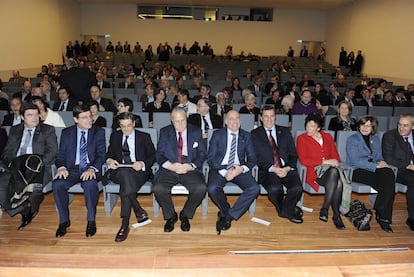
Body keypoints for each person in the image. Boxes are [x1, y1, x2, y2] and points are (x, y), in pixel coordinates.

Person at [0, 103, 57, 230]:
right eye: (30, 115)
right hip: (17, 166)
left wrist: (36, 164)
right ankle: (23, 210)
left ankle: (32, 209)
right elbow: (7, 152)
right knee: (2, 185)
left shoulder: (48, 129)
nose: (35, 118)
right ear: (22, 117)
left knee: (33, 188)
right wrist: (12, 164)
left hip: (39, 167)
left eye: (37, 114)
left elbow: (52, 152)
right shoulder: (15, 130)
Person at [52, 104, 106, 238]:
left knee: (89, 184)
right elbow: (60, 156)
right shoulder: (67, 133)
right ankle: (64, 221)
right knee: (57, 184)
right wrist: (62, 168)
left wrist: (92, 169)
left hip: (90, 167)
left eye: (90, 116)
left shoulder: (98, 131)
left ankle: (91, 221)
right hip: (72, 169)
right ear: (76, 119)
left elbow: (101, 155)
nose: (89, 120)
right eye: (84, 118)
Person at [152, 107, 207, 232]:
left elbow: (203, 154)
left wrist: (190, 165)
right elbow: (159, 154)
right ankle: (171, 216)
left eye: (183, 120)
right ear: (172, 121)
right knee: (158, 188)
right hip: (170, 167)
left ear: (186, 119)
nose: (181, 124)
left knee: (201, 188)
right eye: (177, 121)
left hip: (189, 167)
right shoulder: (165, 132)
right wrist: (171, 166)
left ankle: (185, 214)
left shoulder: (196, 131)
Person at [207, 110, 260, 235]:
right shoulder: (217, 135)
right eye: (231, 119)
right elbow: (211, 158)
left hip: (238, 168)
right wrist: (225, 172)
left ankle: (228, 216)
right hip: (221, 168)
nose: (234, 122)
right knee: (213, 188)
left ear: (240, 121)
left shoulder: (246, 136)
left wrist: (241, 169)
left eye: (237, 119)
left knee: (254, 188)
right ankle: (225, 209)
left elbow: (252, 159)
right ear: (226, 121)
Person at [106, 112, 156, 242]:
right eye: (122, 126)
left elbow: (153, 156)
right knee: (124, 175)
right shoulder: (115, 136)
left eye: (129, 125)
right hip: (119, 171)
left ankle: (128, 221)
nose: (126, 129)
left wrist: (142, 163)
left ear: (134, 123)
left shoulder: (144, 137)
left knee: (126, 185)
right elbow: (109, 153)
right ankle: (130, 217)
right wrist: (110, 160)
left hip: (138, 172)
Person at [251, 106, 303, 224]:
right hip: (268, 170)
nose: (269, 119)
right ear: (261, 118)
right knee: (275, 189)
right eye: (266, 116)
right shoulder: (254, 134)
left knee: (297, 188)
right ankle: (288, 210)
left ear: (275, 118)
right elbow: (255, 158)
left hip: (286, 169)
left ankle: (284, 210)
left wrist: (287, 168)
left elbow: (293, 154)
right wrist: (272, 168)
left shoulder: (285, 131)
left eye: (272, 116)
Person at [346, 115, 395, 233]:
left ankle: (380, 209)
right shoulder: (352, 139)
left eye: (368, 126)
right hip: (357, 170)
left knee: (388, 173)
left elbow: (378, 156)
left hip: (373, 167)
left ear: (373, 127)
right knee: (387, 185)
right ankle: (383, 217)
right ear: (359, 126)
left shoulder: (375, 138)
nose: (365, 128)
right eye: (362, 125)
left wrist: (382, 162)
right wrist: (375, 166)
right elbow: (355, 160)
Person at [296, 114, 345, 229]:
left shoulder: (327, 137)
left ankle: (330, 212)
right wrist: (325, 162)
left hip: (330, 172)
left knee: (337, 180)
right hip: (314, 173)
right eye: (307, 126)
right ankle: (332, 213)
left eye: (312, 126)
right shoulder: (302, 138)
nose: (309, 129)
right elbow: (303, 160)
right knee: (336, 178)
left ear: (318, 128)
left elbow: (336, 157)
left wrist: (334, 162)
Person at [382, 114, 414, 232]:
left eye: (405, 125)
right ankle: (412, 218)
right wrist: (409, 166)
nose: (401, 128)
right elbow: (389, 158)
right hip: (400, 170)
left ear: (413, 126)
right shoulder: (390, 136)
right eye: (399, 124)